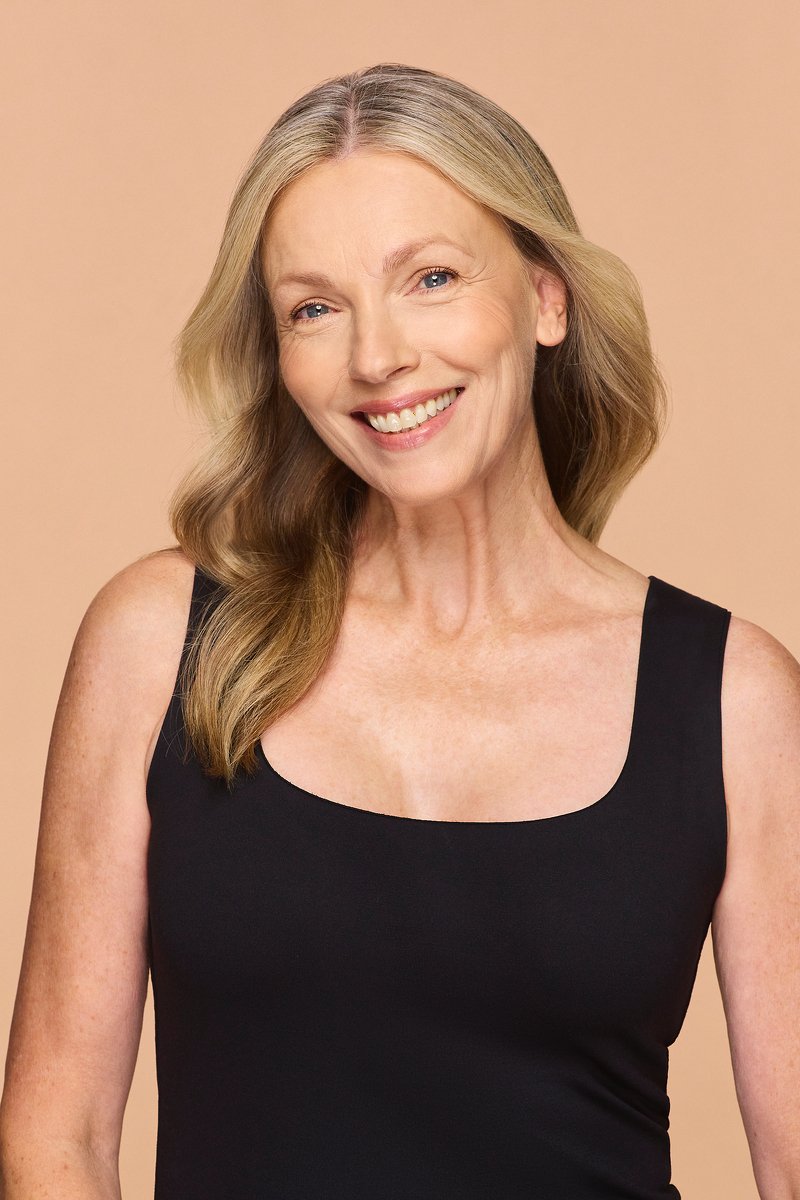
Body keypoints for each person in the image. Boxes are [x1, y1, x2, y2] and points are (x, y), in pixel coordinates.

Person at [0, 62, 797, 1200]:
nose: (376, 357)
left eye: (428, 278)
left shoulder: (732, 701)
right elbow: (56, 1141)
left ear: (544, 298)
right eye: (313, 308)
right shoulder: (160, 644)